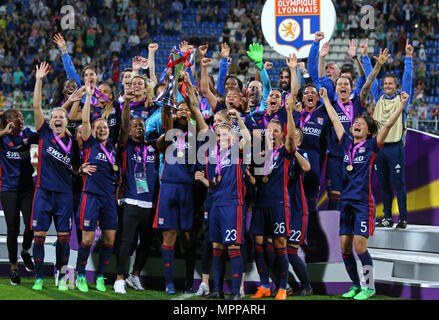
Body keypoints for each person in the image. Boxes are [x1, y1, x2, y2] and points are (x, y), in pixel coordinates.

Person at [321, 83, 410, 300]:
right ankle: (355, 285)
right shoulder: (346, 143)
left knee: (360, 248)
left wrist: (402, 105)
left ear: (368, 130)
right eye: (355, 122)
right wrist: (325, 99)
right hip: (346, 202)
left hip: (363, 203)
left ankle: (369, 287)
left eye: (361, 123)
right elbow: (334, 120)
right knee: (344, 249)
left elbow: (388, 125)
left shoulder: (371, 146)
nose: (357, 124)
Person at [249, 54, 298, 300]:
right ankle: (264, 285)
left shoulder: (286, 151)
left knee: (280, 244)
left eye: (275, 130)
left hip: (279, 202)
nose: (271, 132)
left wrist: (288, 113)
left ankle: (282, 286)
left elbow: (290, 138)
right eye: (269, 129)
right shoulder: (260, 153)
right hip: (260, 202)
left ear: (281, 133)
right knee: (258, 243)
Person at [152, 72, 204, 295]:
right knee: (169, 235)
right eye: (179, 109)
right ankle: (170, 282)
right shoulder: (170, 132)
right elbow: (166, 111)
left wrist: (189, 86)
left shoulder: (197, 134)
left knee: (189, 237)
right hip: (169, 187)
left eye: (186, 110)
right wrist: (173, 83)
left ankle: (189, 280)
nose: (183, 112)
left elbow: (195, 107)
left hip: (189, 190)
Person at [195, 109, 252, 300]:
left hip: (233, 204)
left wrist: (239, 122)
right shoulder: (215, 156)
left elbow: (249, 140)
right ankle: (217, 291)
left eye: (224, 134)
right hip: (216, 204)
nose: (220, 138)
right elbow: (214, 183)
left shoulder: (238, 150)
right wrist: (204, 181)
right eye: (218, 135)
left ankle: (236, 292)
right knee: (217, 248)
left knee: (234, 248)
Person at [31, 62, 75, 291]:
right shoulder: (45, 133)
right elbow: (37, 105)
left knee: (64, 238)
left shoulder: (74, 142)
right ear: (50, 121)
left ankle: (61, 275)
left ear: (66, 121)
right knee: (38, 236)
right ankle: (39, 276)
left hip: (64, 196)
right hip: (44, 193)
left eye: (61, 116)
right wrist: (39, 80)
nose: (57, 118)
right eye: (54, 116)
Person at [362, 40, 414, 229]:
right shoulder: (379, 96)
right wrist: (365, 56)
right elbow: (370, 77)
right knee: (383, 184)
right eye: (385, 83)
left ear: (396, 85)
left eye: (391, 83)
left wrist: (408, 57)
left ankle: (403, 218)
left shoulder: (403, 99)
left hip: (395, 147)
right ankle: (386, 217)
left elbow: (408, 79)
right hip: (379, 148)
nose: (387, 86)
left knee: (398, 184)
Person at [113, 87, 158, 294]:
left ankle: (135, 275)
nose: (139, 128)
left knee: (146, 243)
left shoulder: (152, 147)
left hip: (149, 203)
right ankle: (119, 278)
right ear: (129, 130)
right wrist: (128, 104)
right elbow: (122, 126)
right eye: (135, 125)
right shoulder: (125, 145)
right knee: (126, 241)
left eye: (142, 125)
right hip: (130, 201)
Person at [75, 82, 119, 293]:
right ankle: (81, 275)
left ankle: (100, 276)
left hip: (108, 197)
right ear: (92, 131)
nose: (102, 129)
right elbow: (84, 119)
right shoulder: (90, 144)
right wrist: (88, 98)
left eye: (105, 127)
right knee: (88, 238)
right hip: (90, 196)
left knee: (109, 240)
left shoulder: (113, 148)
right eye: (98, 127)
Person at [0, 109, 38, 285]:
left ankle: (25, 250)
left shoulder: (28, 133)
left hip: (27, 188)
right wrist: (3, 132)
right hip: (8, 189)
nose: (21, 118)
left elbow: (43, 134)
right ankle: (14, 268)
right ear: (8, 120)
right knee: (12, 229)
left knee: (31, 223)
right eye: (16, 117)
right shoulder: (2, 138)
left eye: (21, 117)